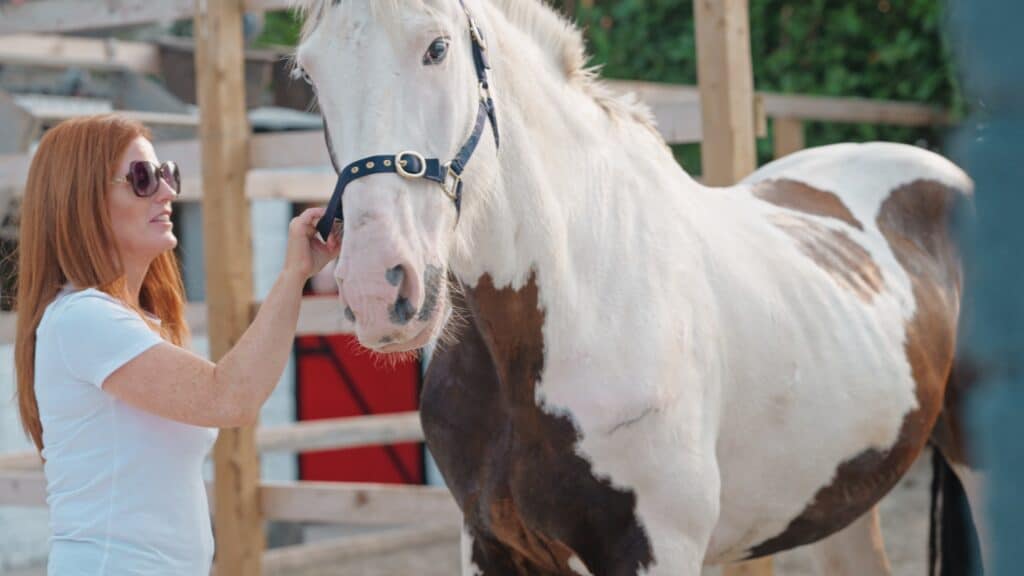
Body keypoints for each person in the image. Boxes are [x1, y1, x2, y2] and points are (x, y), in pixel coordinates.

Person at [14, 114, 341, 575]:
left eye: (166, 173)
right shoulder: (83, 318)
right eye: (143, 179)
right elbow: (229, 397)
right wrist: (293, 275)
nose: (167, 191)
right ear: (81, 199)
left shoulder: (133, 323)